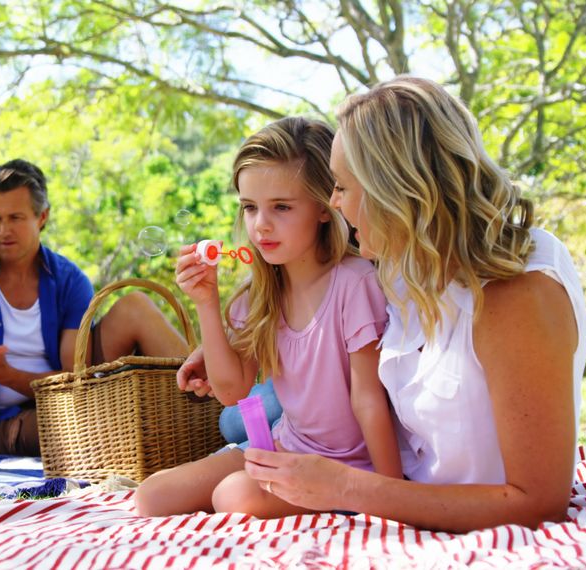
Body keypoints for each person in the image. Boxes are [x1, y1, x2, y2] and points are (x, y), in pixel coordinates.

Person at [222, 77, 586, 532]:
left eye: (342, 187)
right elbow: (314, 292)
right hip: (365, 459)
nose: (334, 205)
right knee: (240, 422)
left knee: (235, 465)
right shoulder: (410, 262)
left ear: (397, 191)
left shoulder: (518, 291)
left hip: (448, 511)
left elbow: (538, 505)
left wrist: (344, 487)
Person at [134, 117, 404, 519]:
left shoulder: (354, 283)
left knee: (234, 497)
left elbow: (368, 400)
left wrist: (390, 494)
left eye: (281, 207)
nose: (261, 225)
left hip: (347, 468)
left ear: (324, 208)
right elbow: (231, 392)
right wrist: (206, 302)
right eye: (249, 207)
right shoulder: (261, 295)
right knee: (151, 496)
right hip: (285, 448)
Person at [0, 159, 189, 457]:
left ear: (42, 217)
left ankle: (212, 407)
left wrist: (3, 373)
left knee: (136, 306)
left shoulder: (69, 279)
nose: (3, 231)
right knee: (92, 425)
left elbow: (75, 378)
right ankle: (151, 429)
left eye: (15, 218)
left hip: (66, 399)